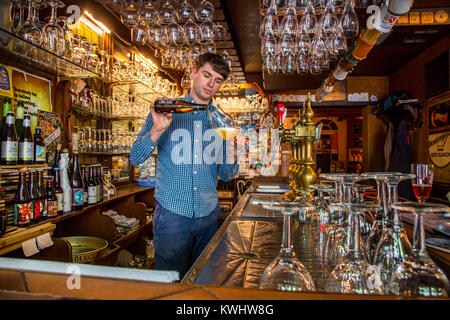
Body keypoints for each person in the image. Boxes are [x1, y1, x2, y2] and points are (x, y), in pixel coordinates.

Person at [130, 53, 239, 279]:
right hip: (172, 217)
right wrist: (157, 130)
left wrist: (231, 147)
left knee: (203, 283)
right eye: (207, 75)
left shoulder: (221, 120)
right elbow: (135, 158)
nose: (211, 84)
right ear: (193, 74)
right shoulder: (167, 110)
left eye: (218, 80)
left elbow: (228, 174)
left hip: (208, 217)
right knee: (170, 285)